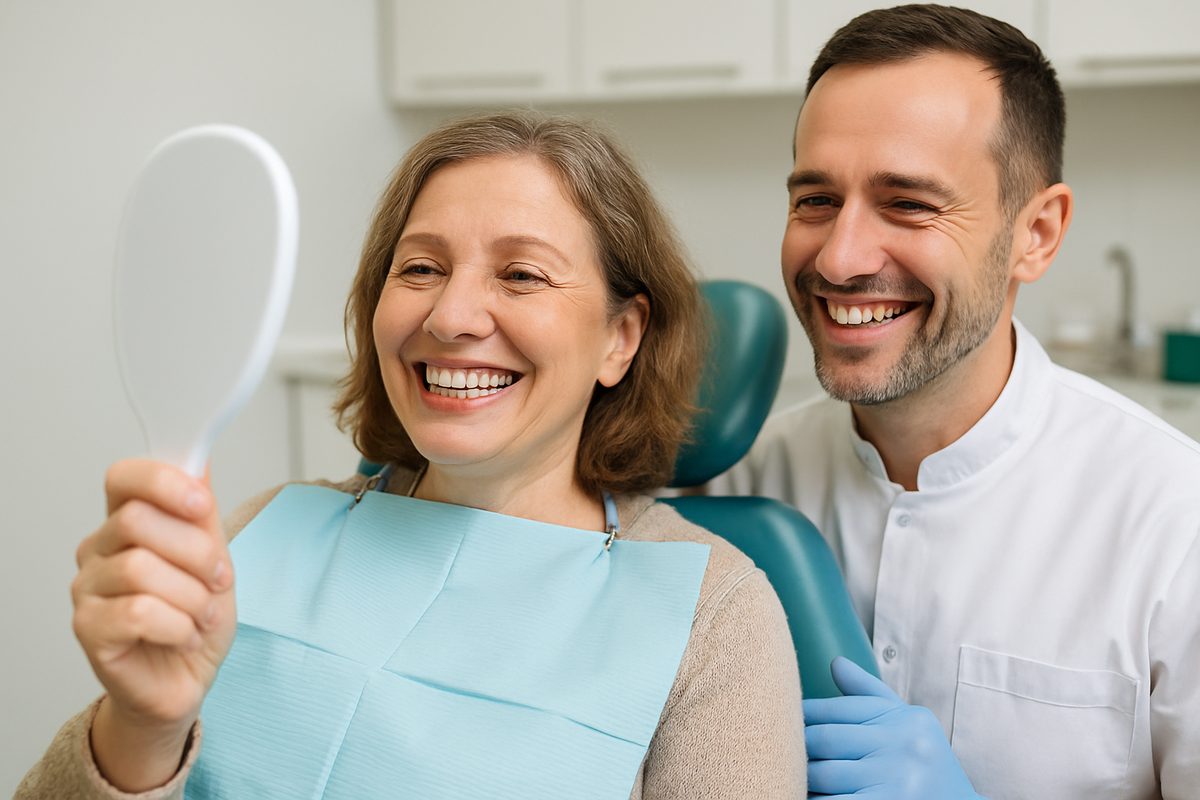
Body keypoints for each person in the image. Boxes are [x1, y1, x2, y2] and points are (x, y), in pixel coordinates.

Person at [19, 111, 805, 799]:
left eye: (522, 275)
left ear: (619, 337)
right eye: (420, 268)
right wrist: (139, 729)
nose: (452, 315)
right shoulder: (256, 534)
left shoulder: (716, 618)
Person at [712, 5, 1200, 799]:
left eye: (908, 203)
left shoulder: (1178, 527)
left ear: (1035, 234)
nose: (839, 257)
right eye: (815, 200)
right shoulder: (735, 487)